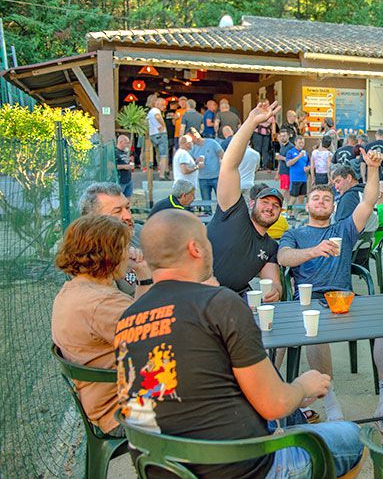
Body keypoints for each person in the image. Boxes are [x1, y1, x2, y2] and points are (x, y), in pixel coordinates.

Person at [115, 209, 365, 478]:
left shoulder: (128, 318)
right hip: (241, 467)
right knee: (353, 436)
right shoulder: (220, 304)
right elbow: (275, 404)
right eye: (207, 240)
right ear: (195, 249)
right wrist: (304, 385)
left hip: (161, 468)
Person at [278, 151, 383, 437]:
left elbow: (370, 199)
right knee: (315, 332)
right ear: (307, 204)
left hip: (345, 299)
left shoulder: (344, 228)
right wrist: (314, 251)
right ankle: (332, 406)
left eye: (326, 199)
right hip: (311, 302)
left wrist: (372, 169)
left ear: (333, 204)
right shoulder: (296, 233)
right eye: (315, 199)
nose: (321, 202)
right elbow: (284, 257)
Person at [52, 215, 138, 436]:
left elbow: (143, 318)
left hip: (101, 404)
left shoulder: (73, 290)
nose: (128, 255)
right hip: (123, 412)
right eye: (124, 248)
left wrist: (144, 277)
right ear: (108, 254)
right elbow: (160, 337)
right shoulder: (104, 304)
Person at [206, 101, 283, 300]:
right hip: (199, 295)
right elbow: (229, 165)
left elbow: (274, 283)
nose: (270, 208)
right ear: (252, 203)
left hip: (235, 302)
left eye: (276, 205)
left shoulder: (270, 247)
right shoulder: (233, 213)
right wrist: (251, 122)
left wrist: (275, 291)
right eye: (265, 202)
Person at [78, 182, 152, 296]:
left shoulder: (142, 233)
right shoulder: (89, 257)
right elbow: (116, 309)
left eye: (128, 208)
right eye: (117, 211)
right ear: (93, 220)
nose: (128, 216)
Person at [190, 131, 224, 201]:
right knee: (206, 203)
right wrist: (197, 161)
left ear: (195, 136)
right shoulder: (193, 148)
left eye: (190, 138)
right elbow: (191, 162)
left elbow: (222, 155)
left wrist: (222, 167)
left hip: (216, 176)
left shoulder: (212, 143)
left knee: (221, 201)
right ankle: (207, 212)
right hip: (202, 178)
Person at [286, 135, 310, 213]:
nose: (301, 144)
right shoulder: (291, 152)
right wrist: (298, 157)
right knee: (293, 198)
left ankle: (299, 213)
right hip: (295, 178)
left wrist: (308, 168)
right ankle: (289, 212)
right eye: (300, 142)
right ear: (295, 142)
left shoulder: (306, 153)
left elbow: (309, 163)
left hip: (303, 178)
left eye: (303, 143)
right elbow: (288, 163)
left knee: (302, 198)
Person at [147, 97, 169, 179]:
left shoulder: (150, 112)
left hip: (153, 135)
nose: (164, 107)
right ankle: (162, 175)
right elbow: (158, 117)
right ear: (157, 104)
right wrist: (163, 125)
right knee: (163, 155)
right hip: (160, 134)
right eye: (163, 105)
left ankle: (160, 171)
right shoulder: (156, 111)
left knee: (157, 154)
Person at [275, 128, 293, 203]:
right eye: (281, 136)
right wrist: (277, 173)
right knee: (287, 193)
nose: (282, 137)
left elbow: (292, 160)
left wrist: (282, 158)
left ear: (288, 136)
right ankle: (289, 210)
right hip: (282, 172)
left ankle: (278, 204)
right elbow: (280, 161)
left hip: (287, 172)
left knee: (283, 191)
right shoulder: (282, 147)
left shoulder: (291, 147)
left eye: (284, 136)